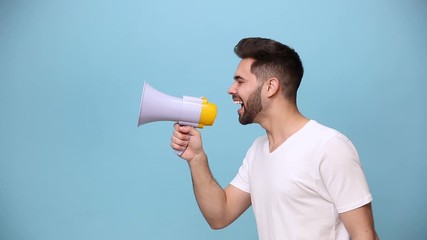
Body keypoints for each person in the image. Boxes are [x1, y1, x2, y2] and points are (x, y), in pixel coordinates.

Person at [170, 37, 378, 240]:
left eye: (240, 81)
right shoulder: (258, 150)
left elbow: (365, 235)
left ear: (271, 87)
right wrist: (197, 158)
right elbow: (220, 216)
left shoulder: (329, 147)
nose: (231, 90)